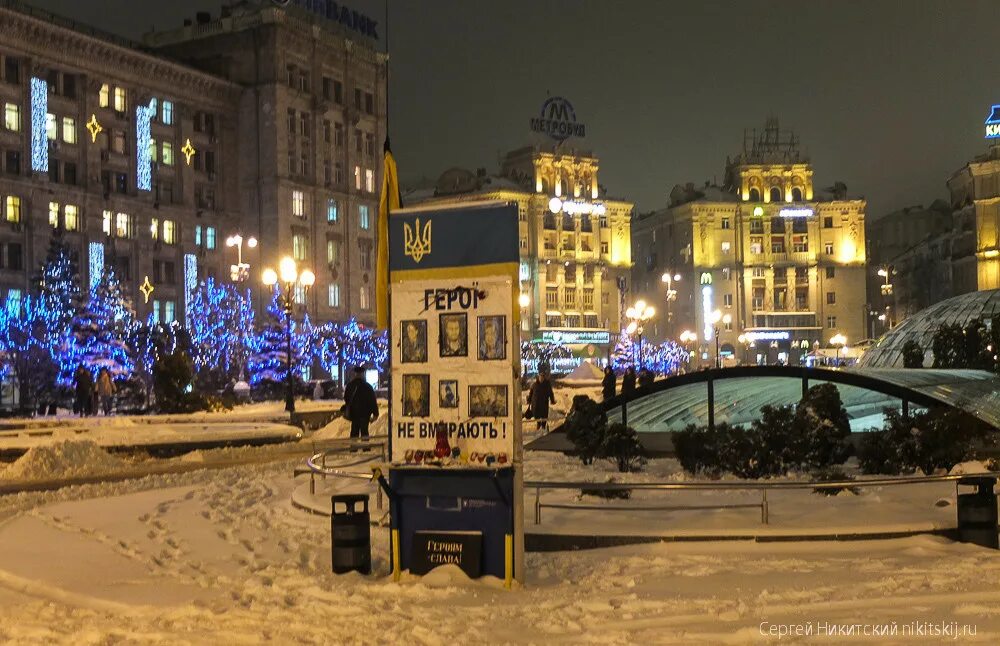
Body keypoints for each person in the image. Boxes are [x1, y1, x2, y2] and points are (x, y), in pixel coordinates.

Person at [344, 366, 379, 440]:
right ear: (363, 374)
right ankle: (365, 449)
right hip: (365, 414)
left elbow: (346, 399)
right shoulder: (368, 386)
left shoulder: (350, 386)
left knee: (354, 432)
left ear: (355, 374)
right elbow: (372, 401)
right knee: (365, 432)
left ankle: (353, 449)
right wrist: (375, 413)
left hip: (354, 414)